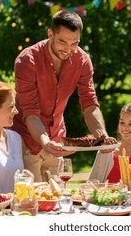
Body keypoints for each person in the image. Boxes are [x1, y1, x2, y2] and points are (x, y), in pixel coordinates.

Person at [12, 10, 111, 182]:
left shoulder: (82, 60)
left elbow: (89, 103)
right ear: (50, 34)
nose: (68, 49)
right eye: (63, 42)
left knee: (57, 199)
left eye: (74, 43)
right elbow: (31, 113)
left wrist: (102, 136)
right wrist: (45, 143)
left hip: (57, 138)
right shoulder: (27, 61)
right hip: (26, 140)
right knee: (31, 201)